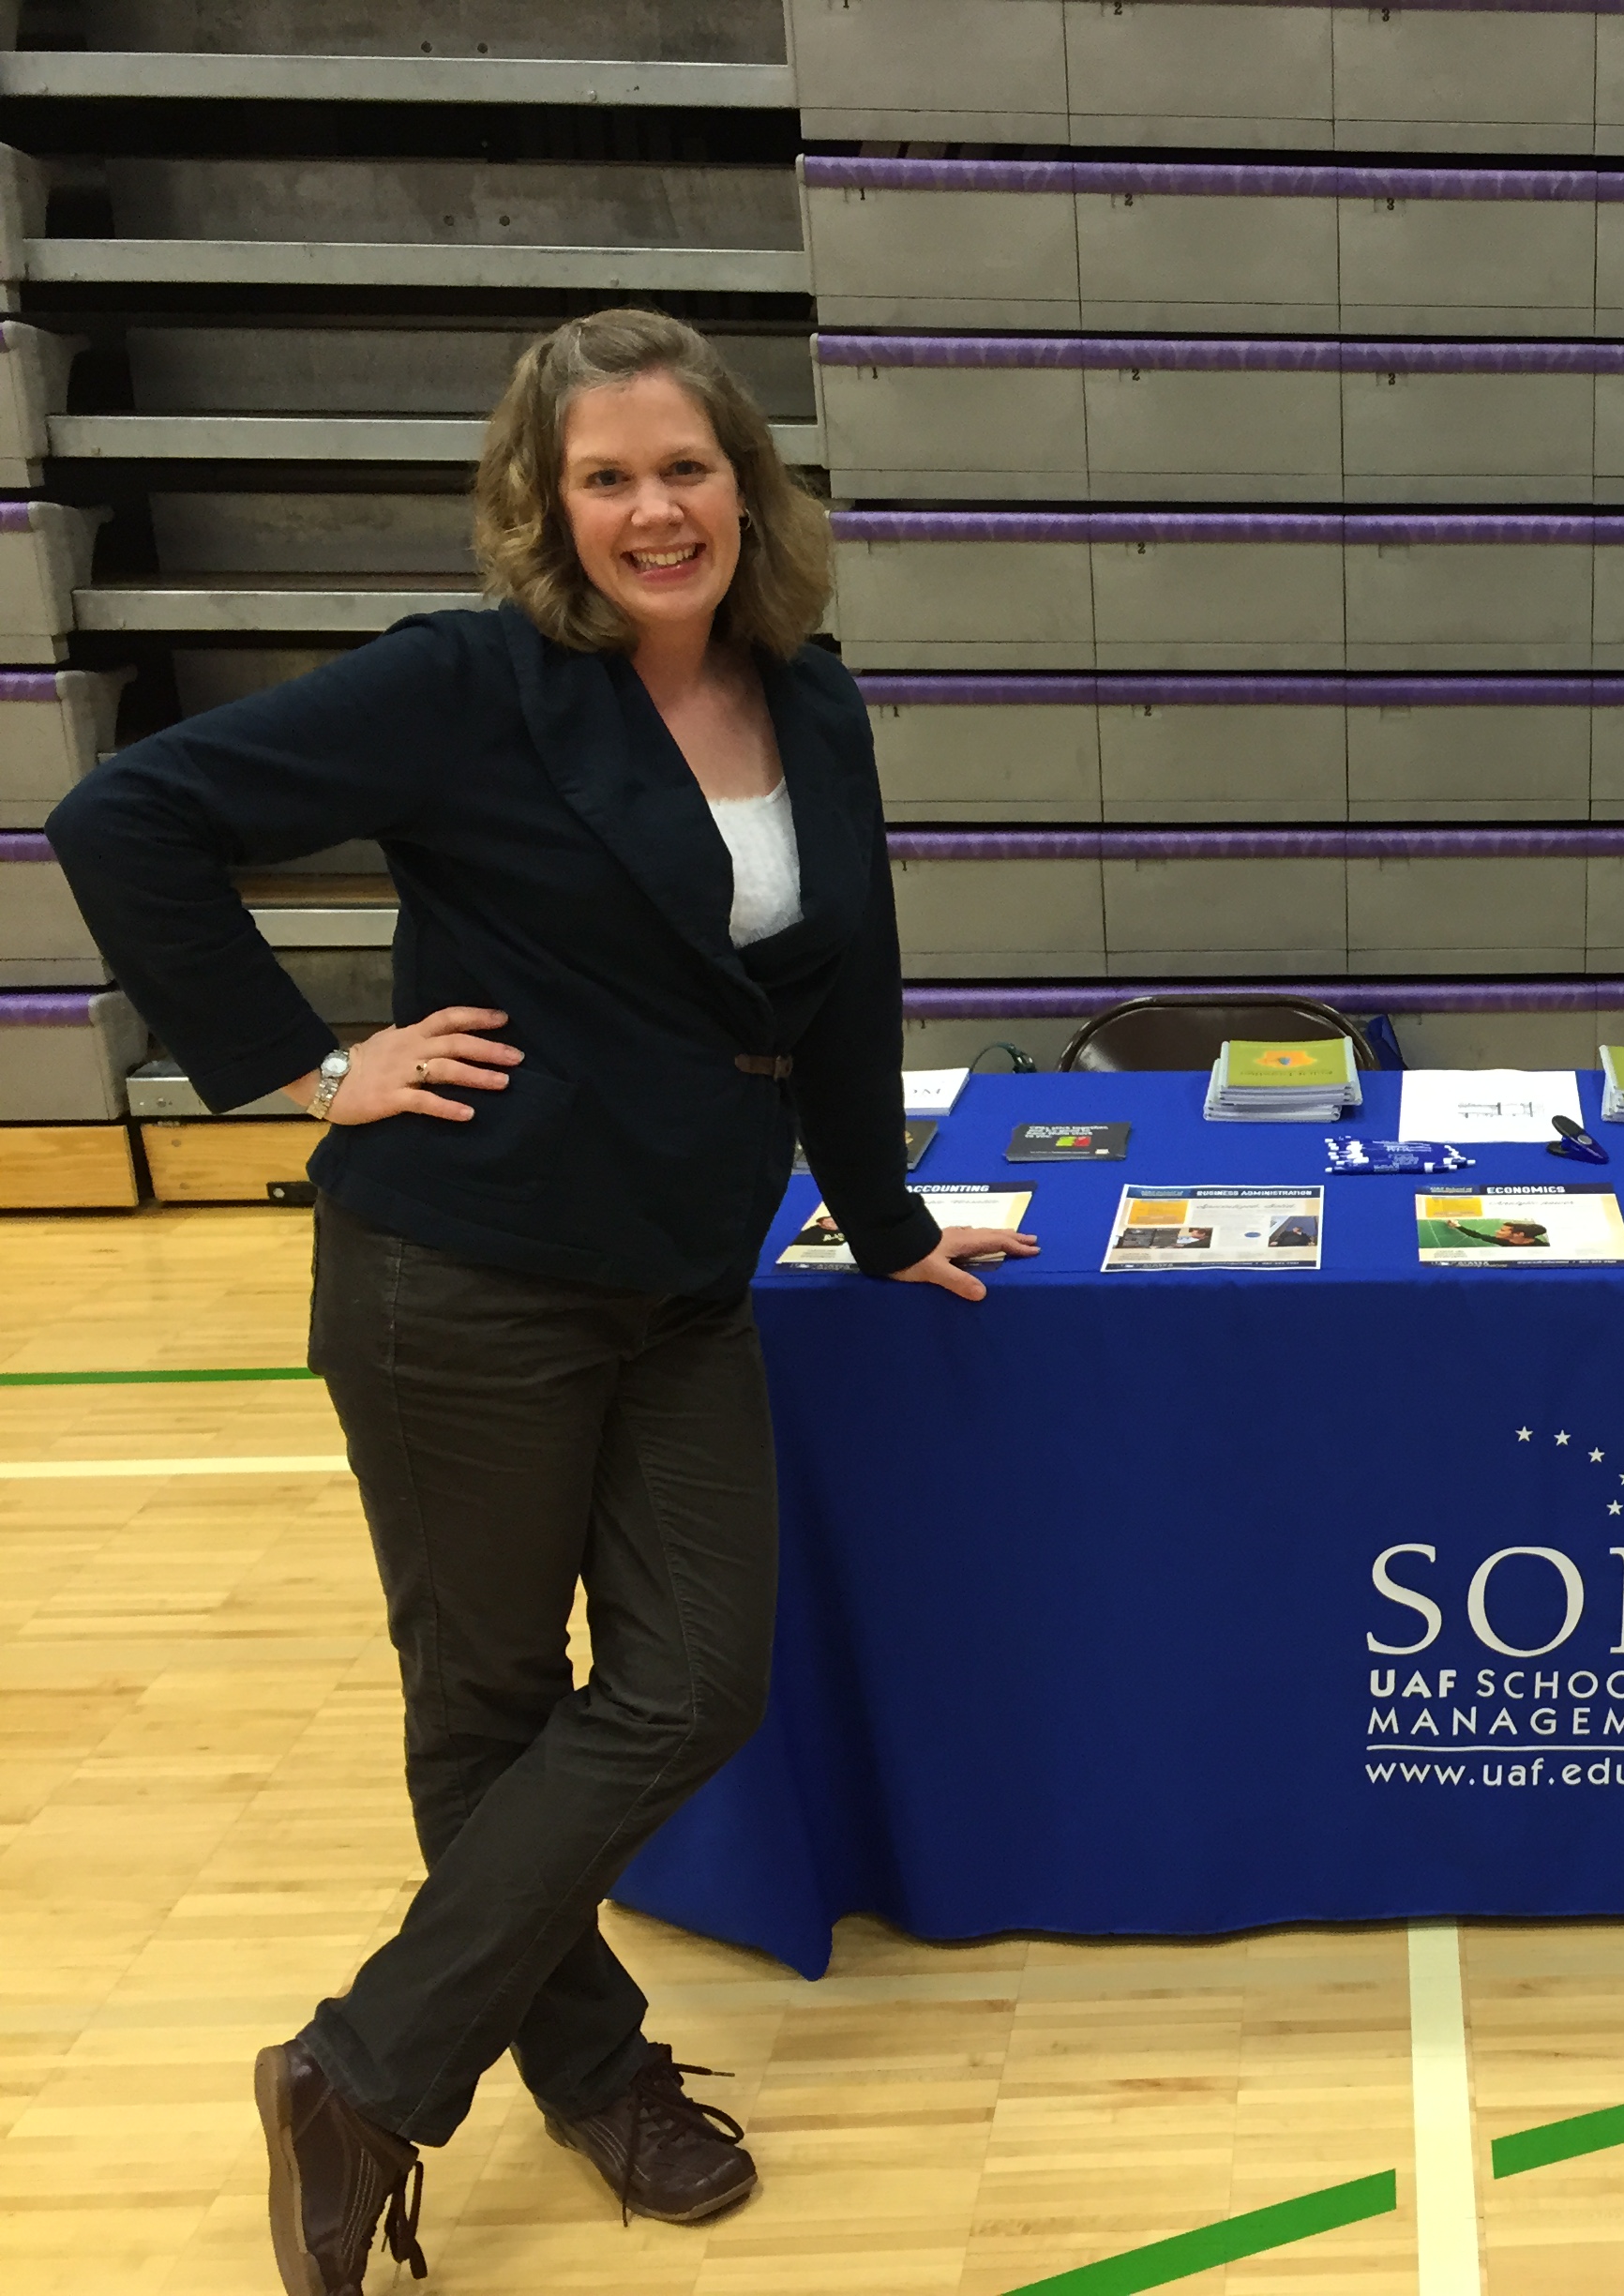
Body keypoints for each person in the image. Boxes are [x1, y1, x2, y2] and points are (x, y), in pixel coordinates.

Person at [47, 308, 1036, 2296]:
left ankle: (359, 2068)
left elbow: (843, 987)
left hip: (683, 1277)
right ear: (546, 504)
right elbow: (121, 818)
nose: (654, 511)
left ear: (748, 486)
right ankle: (595, 2080)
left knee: (694, 1684)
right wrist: (317, 1069)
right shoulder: (467, 686)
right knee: (488, 1702)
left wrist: (880, 1206)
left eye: (686, 469)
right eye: (606, 479)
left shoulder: (806, 697)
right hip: (463, 1271)